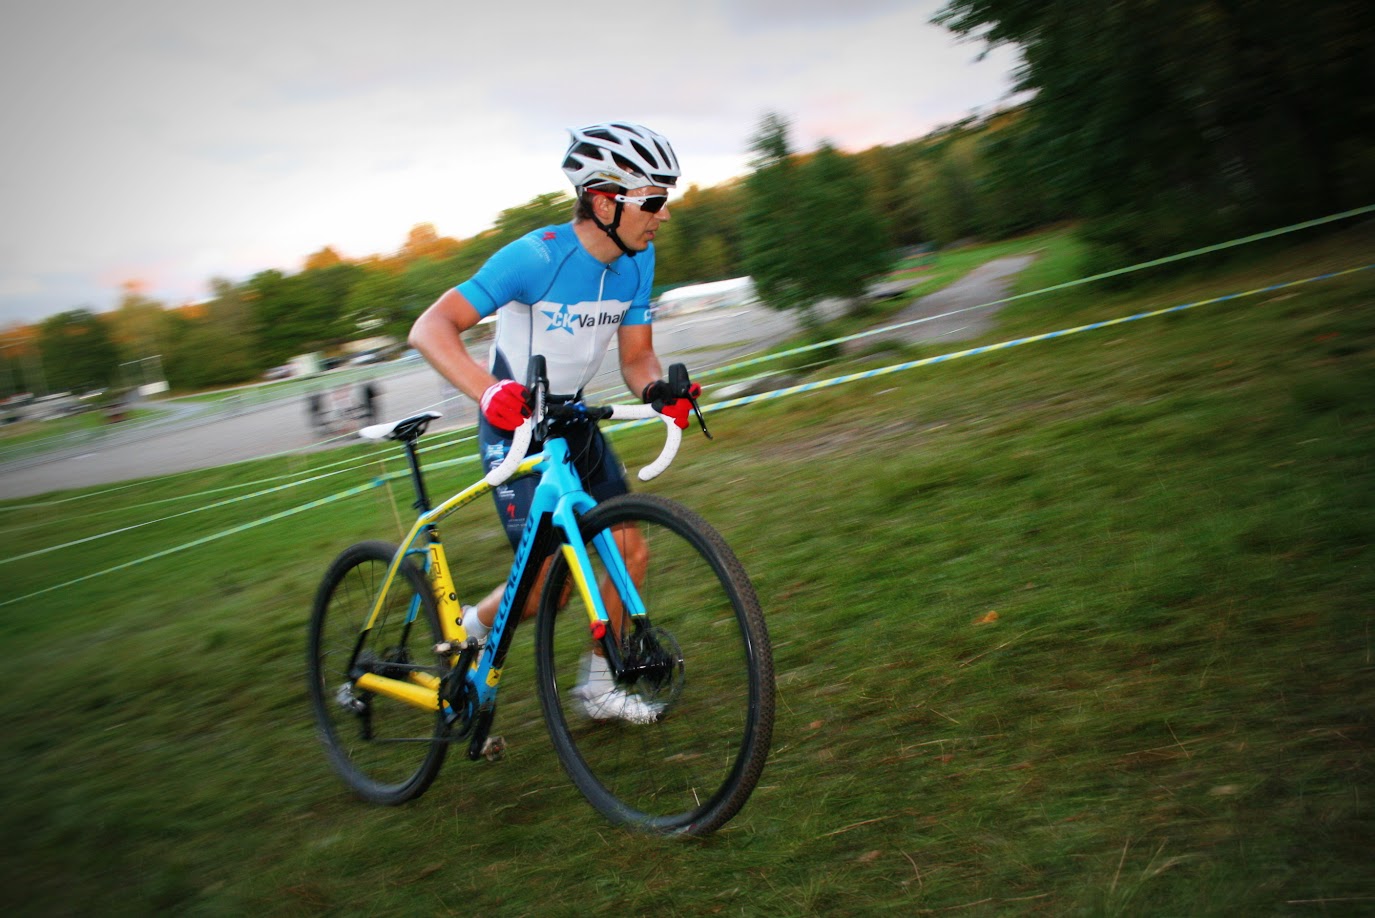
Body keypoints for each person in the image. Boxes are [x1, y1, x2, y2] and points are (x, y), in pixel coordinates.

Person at [409, 122, 694, 723]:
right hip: (513, 423)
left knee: (629, 553)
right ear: (604, 202)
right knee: (549, 590)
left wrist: (659, 391)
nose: (664, 215)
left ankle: (600, 686)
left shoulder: (638, 261)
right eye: (654, 200)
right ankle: (472, 625)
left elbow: (637, 359)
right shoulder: (535, 256)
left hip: (573, 417)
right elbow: (430, 328)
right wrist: (489, 392)